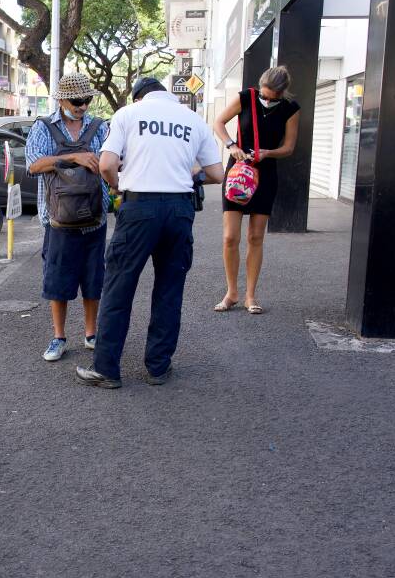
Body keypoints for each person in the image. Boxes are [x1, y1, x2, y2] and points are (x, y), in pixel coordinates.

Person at [75, 77, 226, 389]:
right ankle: (158, 367)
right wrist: (189, 175)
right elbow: (217, 173)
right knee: (169, 290)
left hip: (139, 208)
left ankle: (106, 369)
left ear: (139, 96)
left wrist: (118, 185)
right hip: (179, 210)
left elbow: (106, 165)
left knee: (119, 287)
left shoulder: (128, 115)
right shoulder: (193, 119)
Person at [25, 73, 110, 362]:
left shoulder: (100, 127)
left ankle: (91, 333)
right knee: (57, 279)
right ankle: (58, 337)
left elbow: (113, 161)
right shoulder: (44, 128)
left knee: (93, 277)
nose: (82, 106)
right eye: (77, 101)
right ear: (60, 99)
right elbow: (34, 165)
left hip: (94, 217)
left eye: (87, 100)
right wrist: (73, 158)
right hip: (57, 218)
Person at [211, 66, 301, 315]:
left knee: (255, 237)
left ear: (282, 93)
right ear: (259, 87)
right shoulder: (245, 98)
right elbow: (218, 122)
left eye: (273, 97)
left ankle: (251, 295)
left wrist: (268, 153)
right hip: (239, 172)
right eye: (264, 95)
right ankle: (231, 293)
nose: (267, 100)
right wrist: (231, 145)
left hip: (265, 173)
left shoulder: (290, 109)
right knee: (230, 236)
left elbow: (289, 147)